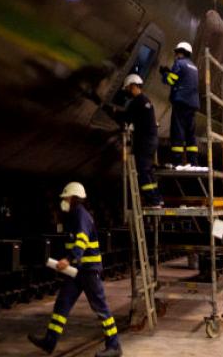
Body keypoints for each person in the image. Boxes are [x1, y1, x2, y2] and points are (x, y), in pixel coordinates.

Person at [29, 182, 122, 357]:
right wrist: (67, 260)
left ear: (73, 198)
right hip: (77, 271)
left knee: (100, 308)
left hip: (89, 271)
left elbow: (81, 240)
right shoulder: (73, 215)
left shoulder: (81, 215)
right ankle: (50, 341)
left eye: (65, 197)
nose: (63, 200)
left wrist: (68, 258)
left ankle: (114, 346)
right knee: (62, 304)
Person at [115, 74, 162, 208]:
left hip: (144, 142)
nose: (128, 92)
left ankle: (153, 201)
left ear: (133, 86)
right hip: (151, 141)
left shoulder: (137, 102)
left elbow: (127, 117)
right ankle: (157, 198)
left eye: (128, 89)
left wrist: (115, 113)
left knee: (142, 171)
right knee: (148, 171)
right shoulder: (146, 100)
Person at [160, 41, 200, 168]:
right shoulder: (194, 67)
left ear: (180, 52)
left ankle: (176, 162)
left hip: (181, 102)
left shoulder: (179, 63)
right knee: (190, 134)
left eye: (176, 52)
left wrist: (164, 74)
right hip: (192, 104)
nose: (175, 55)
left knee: (178, 132)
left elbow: (171, 80)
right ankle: (193, 162)